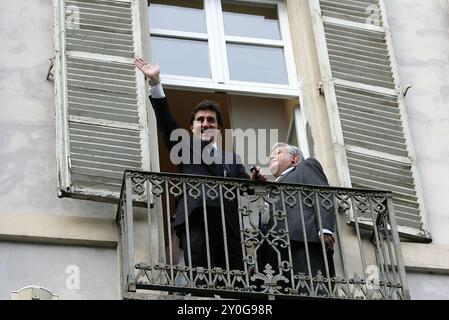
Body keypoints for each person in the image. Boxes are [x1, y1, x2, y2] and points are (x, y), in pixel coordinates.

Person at [134, 58, 258, 273]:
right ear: (192, 127)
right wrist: (155, 84)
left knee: (235, 284)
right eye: (200, 120)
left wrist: (257, 179)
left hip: (229, 229)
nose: (205, 123)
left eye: (211, 120)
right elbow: (166, 122)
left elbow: (246, 186)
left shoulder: (232, 159)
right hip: (197, 221)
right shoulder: (183, 145)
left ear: (219, 127)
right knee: (201, 280)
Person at [254, 143, 336, 284]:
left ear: (295, 159)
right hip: (274, 252)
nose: (272, 156)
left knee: (311, 289)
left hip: (302, 241)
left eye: (278, 152)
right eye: (271, 155)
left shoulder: (305, 167)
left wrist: (325, 228)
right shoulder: (270, 188)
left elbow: (322, 194)